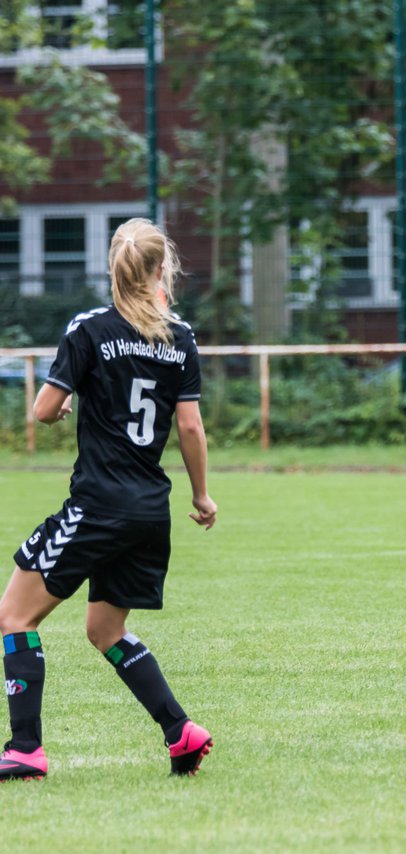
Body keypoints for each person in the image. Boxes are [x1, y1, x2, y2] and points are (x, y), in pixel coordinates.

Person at [0, 218, 217, 781]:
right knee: (105, 630)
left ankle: (24, 748)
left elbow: (44, 409)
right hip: (149, 509)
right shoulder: (181, 337)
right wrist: (202, 495)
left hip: (98, 504)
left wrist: (64, 405)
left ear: (114, 269)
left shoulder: (90, 328)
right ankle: (181, 732)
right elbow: (190, 429)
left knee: (13, 617)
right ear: (160, 269)